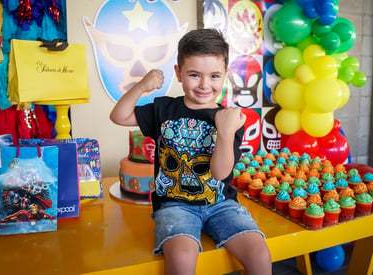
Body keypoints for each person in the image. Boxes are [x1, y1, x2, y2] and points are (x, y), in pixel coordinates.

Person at [110, 28, 272, 275]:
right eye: (194, 75)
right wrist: (141, 86)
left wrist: (226, 132)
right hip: (175, 205)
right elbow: (118, 116)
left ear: (225, 76)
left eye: (214, 76)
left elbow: (219, 173)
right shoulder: (163, 110)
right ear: (179, 73)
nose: (205, 84)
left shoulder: (231, 119)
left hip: (221, 203)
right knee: (182, 258)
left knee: (259, 255)